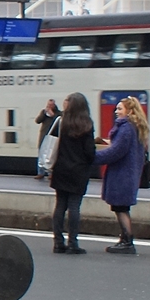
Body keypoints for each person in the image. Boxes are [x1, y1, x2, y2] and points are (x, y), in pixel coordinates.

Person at [93, 97, 149, 255]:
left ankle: (127, 241)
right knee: (121, 207)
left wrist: (93, 157)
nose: (116, 111)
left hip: (122, 174)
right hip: (127, 173)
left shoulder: (126, 129)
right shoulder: (134, 127)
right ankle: (124, 238)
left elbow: (116, 151)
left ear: (129, 111)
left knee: (121, 208)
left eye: (120, 109)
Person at [47, 93, 95, 255]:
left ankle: (58, 243)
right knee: (74, 206)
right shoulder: (87, 124)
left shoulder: (62, 122)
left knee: (60, 205)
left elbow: (53, 143)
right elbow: (89, 152)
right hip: (79, 171)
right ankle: (73, 243)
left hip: (61, 169)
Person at [34, 98, 61, 179]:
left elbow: (59, 121)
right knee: (41, 153)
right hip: (44, 135)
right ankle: (40, 172)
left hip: (52, 136)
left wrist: (52, 115)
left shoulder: (58, 113)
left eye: (51, 105)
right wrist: (44, 114)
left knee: (52, 156)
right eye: (48, 105)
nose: (49, 106)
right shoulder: (44, 112)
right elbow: (37, 121)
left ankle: (51, 173)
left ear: (54, 105)